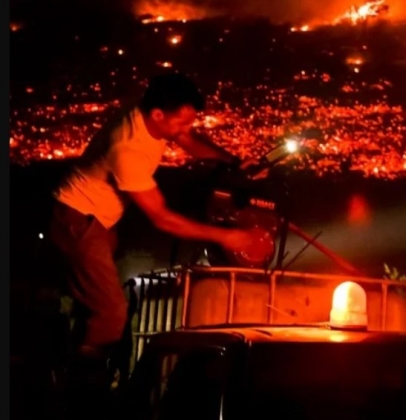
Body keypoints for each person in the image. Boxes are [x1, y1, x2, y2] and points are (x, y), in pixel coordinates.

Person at [49, 73, 262, 378]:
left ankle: (74, 364)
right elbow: (161, 217)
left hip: (97, 221)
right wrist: (228, 237)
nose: (185, 129)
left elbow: (186, 139)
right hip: (78, 220)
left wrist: (232, 161)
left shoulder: (150, 112)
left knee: (93, 306)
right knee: (111, 312)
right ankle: (83, 387)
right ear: (158, 114)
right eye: (181, 121)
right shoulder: (127, 148)